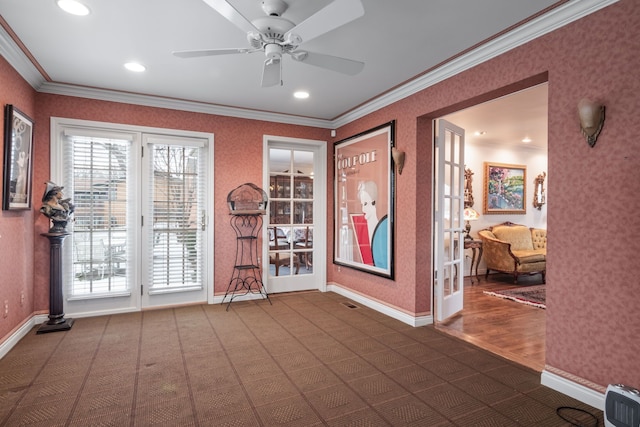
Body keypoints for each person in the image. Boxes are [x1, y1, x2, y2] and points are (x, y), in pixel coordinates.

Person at [356, 181, 388, 269]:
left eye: (365, 204)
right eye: (362, 204)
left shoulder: (381, 229)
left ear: (374, 202)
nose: (363, 209)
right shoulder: (362, 229)